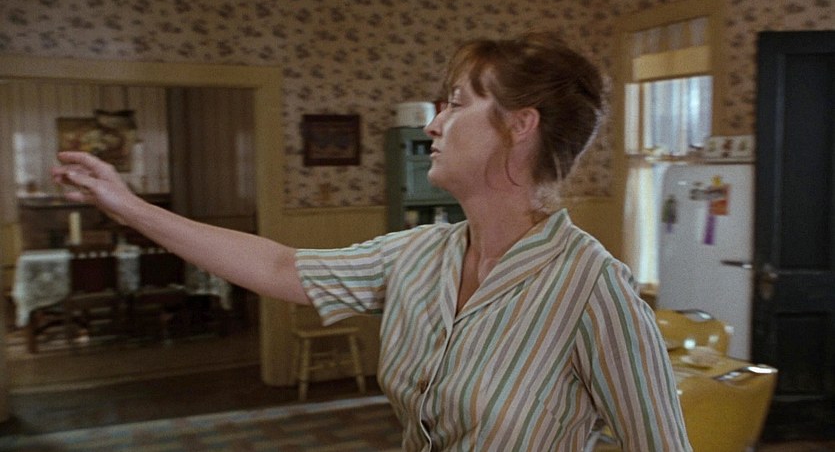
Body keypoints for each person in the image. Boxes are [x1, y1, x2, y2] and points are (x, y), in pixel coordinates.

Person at [53, 31, 691, 451]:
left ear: (520, 125)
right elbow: (279, 267)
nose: (434, 124)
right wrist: (128, 206)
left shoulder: (591, 288)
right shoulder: (420, 255)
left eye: (456, 105)